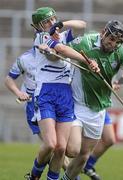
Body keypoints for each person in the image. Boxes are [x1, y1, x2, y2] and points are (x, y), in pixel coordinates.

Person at [59, 20, 123, 180]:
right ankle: (53, 155)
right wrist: (85, 60)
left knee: (84, 156)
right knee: (72, 150)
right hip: (76, 104)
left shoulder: (121, 52)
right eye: (111, 39)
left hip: (98, 110)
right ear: (103, 32)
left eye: (117, 42)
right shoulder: (87, 41)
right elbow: (61, 49)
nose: (113, 44)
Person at [28, 6, 99, 180]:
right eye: (47, 22)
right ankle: (34, 175)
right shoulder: (42, 37)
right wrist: (87, 61)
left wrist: (61, 24)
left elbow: (81, 25)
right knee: (51, 144)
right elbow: (58, 52)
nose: (51, 23)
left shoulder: (61, 35)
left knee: (61, 148)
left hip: (65, 93)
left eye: (53, 19)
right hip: (46, 92)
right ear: (38, 26)